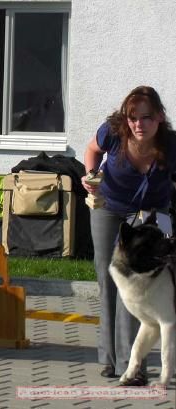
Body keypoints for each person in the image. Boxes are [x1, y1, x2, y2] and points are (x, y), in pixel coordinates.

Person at [82, 86, 176, 385]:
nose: (139, 124)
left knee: (138, 282)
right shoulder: (112, 131)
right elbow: (92, 150)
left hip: (152, 212)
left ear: (160, 118)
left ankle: (131, 365)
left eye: (146, 118)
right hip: (109, 206)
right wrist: (89, 175)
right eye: (133, 118)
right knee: (108, 277)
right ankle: (109, 359)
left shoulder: (171, 143)